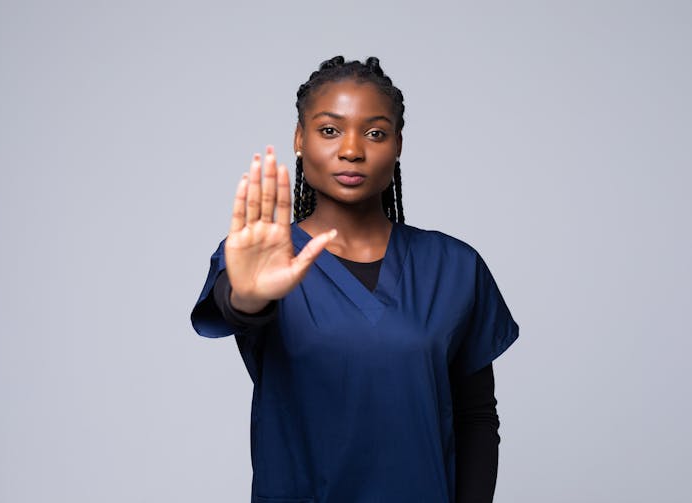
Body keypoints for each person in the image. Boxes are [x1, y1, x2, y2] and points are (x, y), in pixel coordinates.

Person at [191, 56, 519, 503]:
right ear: (299, 139)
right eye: (329, 130)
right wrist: (248, 297)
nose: (351, 149)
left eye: (374, 132)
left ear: (398, 144)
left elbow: (476, 416)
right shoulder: (263, 255)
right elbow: (234, 306)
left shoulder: (455, 266)